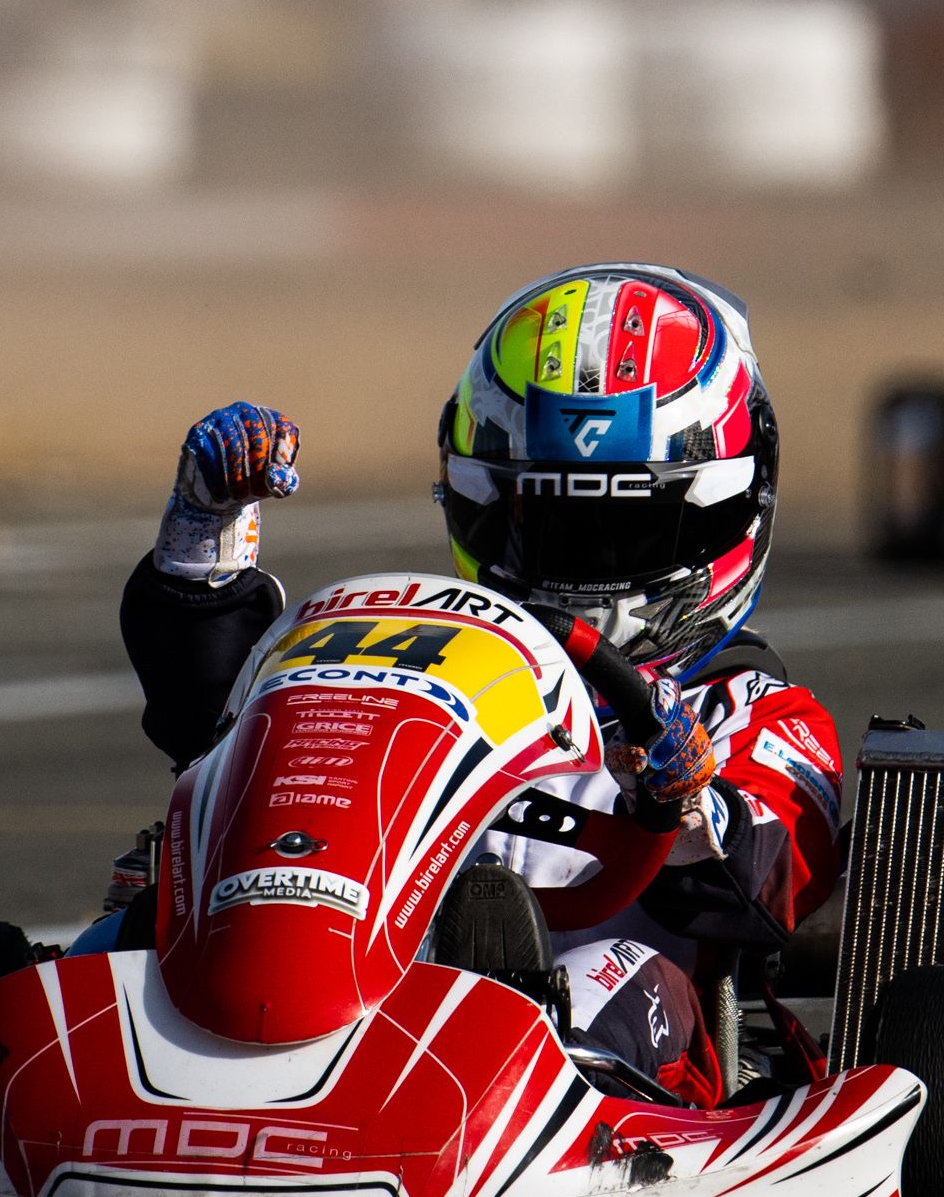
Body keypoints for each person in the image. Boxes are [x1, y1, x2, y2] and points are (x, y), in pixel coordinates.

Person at [82, 267, 843, 1107]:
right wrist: (202, 538)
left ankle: (528, 1107)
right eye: (547, 526)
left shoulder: (752, 709)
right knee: (127, 933)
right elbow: (218, 727)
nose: (580, 567)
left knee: (617, 969)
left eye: (624, 531)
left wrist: (692, 803)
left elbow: (774, 878)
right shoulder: (437, 659)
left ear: (725, 511)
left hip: (599, 1044)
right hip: (368, 986)